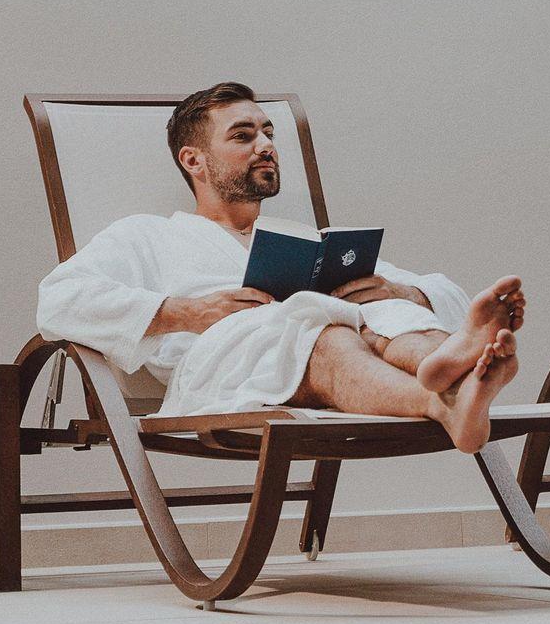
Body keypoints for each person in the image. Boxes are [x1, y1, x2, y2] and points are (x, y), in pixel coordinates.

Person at [38, 81, 524, 452]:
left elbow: (413, 291)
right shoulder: (147, 235)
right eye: (243, 135)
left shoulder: (302, 239)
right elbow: (58, 299)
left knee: (383, 312)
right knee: (324, 334)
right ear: (194, 161)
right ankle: (443, 400)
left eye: (268, 133)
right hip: (223, 365)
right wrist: (189, 312)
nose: (266, 145)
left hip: (311, 336)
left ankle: (451, 362)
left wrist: (404, 293)